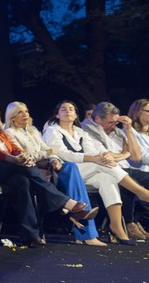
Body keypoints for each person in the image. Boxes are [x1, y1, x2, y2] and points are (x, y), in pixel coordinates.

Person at [0, 102, 97, 247]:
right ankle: (65, 203)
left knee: (24, 182)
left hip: (7, 170)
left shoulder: (0, 133)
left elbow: (15, 149)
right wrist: (14, 159)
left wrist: (23, 157)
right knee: (24, 167)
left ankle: (30, 236)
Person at [41, 100, 149, 245]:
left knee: (107, 178)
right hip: (65, 172)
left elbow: (92, 151)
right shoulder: (52, 130)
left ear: (76, 115)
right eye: (63, 109)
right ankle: (141, 192)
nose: (68, 111)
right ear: (57, 114)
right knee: (102, 166)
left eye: (71, 109)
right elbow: (63, 153)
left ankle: (117, 228)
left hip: (85, 171)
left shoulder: (80, 132)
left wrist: (102, 157)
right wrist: (93, 158)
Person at [4, 101, 105, 246]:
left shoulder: (33, 131)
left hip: (47, 169)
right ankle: (69, 207)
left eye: (26, 111)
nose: (25, 114)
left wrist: (53, 160)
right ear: (12, 117)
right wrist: (45, 156)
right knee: (37, 178)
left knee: (70, 167)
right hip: (31, 171)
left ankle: (71, 209)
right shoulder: (10, 133)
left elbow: (50, 151)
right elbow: (25, 157)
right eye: (20, 112)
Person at [80, 102, 149, 241]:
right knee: (127, 183)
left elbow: (135, 157)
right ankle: (129, 223)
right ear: (98, 119)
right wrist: (124, 154)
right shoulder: (88, 131)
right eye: (110, 122)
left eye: (116, 122)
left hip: (126, 168)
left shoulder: (118, 132)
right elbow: (104, 156)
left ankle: (135, 220)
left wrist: (128, 130)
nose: (114, 125)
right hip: (108, 170)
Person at [126, 98, 149, 239]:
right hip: (137, 171)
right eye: (148, 111)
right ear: (137, 113)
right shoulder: (130, 132)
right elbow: (140, 156)